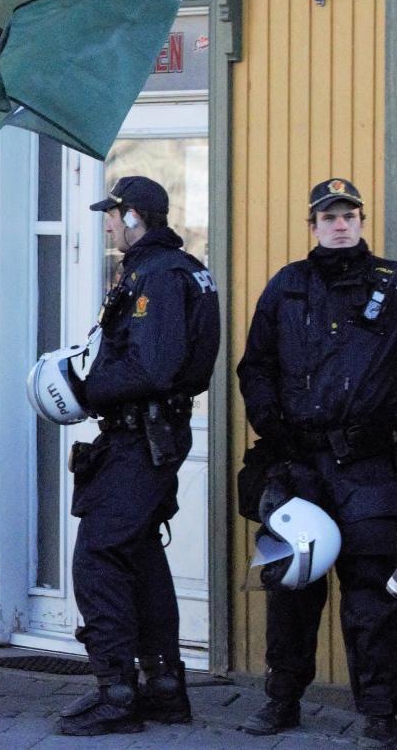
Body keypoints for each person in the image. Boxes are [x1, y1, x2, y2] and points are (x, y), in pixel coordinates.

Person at [55, 175, 219, 736]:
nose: (106, 224)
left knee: (98, 556)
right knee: (141, 556)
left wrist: (84, 390)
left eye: (112, 214)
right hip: (149, 437)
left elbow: (153, 367)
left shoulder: (158, 276)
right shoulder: (174, 268)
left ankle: (116, 693)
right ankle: (164, 688)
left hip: (140, 440)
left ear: (133, 217)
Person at [235, 178, 397, 746]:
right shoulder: (287, 286)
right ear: (313, 225)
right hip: (298, 463)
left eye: (348, 214)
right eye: (328, 216)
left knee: (372, 596)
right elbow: (254, 367)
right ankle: (282, 702)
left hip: (368, 467)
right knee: (292, 588)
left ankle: (381, 711)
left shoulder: (391, 285)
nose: (339, 223)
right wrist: (271, 428)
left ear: (361, 221)